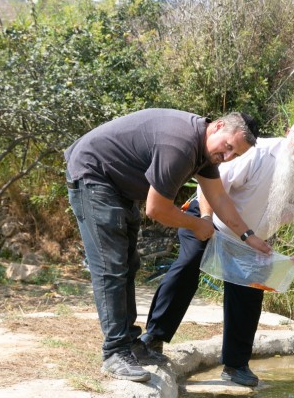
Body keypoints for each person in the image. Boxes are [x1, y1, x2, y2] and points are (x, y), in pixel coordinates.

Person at [65, 108, 270, 383]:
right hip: (93, 176)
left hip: (115, 185)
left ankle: (129, 343)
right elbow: (156, 209)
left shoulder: (205, 151)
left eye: (236, 155)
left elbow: (219, 198)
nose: (228, 158)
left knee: (127, 264)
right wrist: (197, 224)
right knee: (111, 266)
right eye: (228, 148)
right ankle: (115, 351)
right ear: (218, 126)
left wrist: (249, 237)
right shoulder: (180, 145)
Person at [142, 116, 294, 387]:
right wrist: (204, 221)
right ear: (288, 133)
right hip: (210, 218)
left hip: (251, 240)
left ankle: (236, 366)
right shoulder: (258, 152)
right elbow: (211, 188)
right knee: (189, 265)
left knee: (250, 290)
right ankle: (152, 339)